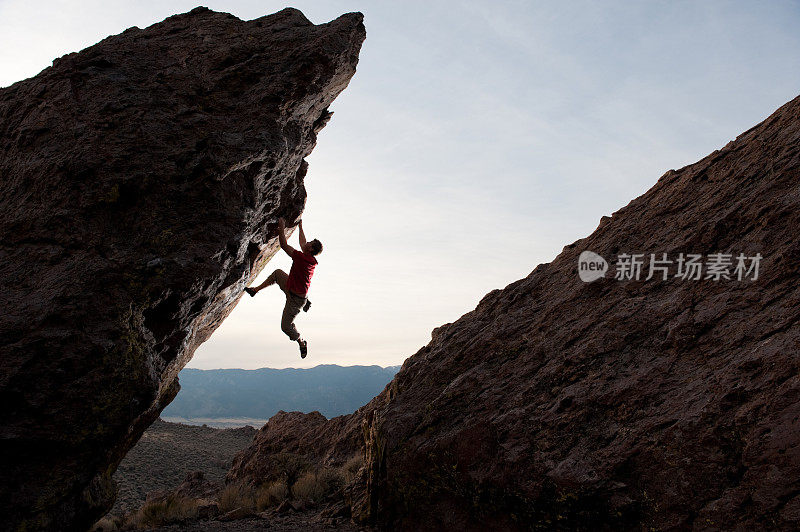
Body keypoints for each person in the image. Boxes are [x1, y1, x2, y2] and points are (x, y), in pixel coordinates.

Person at [244, 218, 322, 358]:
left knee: (285, 327)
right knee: (277, 273)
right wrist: (300, 227)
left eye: (310, 243)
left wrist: (281, 228)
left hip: (295, 301)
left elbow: (284, 245)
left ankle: (301, 342)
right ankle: (255, 290)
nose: (307, 243)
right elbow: (303, 243)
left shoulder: (302, 258)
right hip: (291, 287)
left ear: (311, 249)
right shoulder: (308, 257)